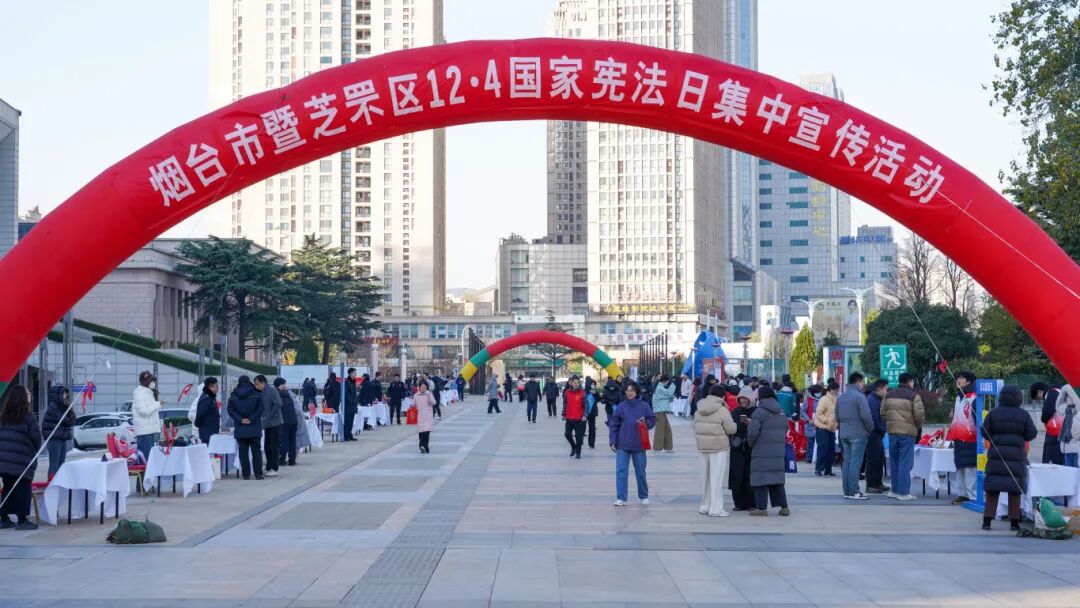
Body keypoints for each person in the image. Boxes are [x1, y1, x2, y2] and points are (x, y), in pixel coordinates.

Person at [981, 385, 1037, 530]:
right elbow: (1031, 434)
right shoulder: (1023, 414)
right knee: (1015, 490)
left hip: (996, 456)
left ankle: (987, 521)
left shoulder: (993, 413)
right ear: (1019, 398)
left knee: (992, 490)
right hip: (1016, 457)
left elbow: (984, 432)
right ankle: (1014, 523)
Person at [0, 386, 42, 530]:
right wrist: (34, 451)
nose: (30, 395)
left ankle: (4, 518)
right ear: (23, 397)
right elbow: (36, 437)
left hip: (5, 460)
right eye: (28, 393)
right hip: (21, 460)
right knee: (23, 488)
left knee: (8, 487)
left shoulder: (4, 416)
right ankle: (22, 520)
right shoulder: (28, 416)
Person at [609, 381, 655, 506]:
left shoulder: (644, 406)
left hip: (639, 444)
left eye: (632, 390)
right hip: (623, 444)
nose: (629, 393)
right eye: (627, 390)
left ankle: (643, 495)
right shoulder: (621, 407)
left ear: (637, 392)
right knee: (621, 471)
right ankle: (621, 498)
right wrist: (612, 441)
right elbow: (614, 424)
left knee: (640, 471)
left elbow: (652, 420)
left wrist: (646, 424)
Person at [695, 384, 738, 516]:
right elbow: (731, 429)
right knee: (717, 478)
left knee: (705, 479)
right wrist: (736, 425)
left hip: (703, 447)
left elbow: (695, 426)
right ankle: (716, 508)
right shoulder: (722, 409)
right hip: (718, 447)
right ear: (723, 396)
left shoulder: (700, 407)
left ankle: (704, 506)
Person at [747, 386, 790, 516]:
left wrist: (751, 444)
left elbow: (753, 433)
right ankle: (784, 507)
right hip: (778, 451)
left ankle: (761, 508)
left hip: (761, 450)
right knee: (777, 478)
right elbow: (786, 428)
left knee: (761, 478)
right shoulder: (781, 411)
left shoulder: (759, 412)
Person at [882, 373, 924, 500]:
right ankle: (903, 492)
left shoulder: (888, 395)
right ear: (910, 382)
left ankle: (894, 490)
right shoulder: (914, 396)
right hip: (907, 433)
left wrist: (890, 424)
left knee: (894, 461)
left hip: (892, 432)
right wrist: (917, 427)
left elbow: (882, 413)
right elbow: (919, 416)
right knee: (905, 462)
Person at [836, 372, 873, 500]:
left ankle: (847, 491)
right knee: (855, 463)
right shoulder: (860, 397)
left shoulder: (840, 397)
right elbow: (866, 416)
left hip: (844, 433)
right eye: (862, 382)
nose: (863, 385)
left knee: (847, 462)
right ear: (858, 382)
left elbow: (837, 416)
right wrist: (870, 428)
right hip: (858, 433)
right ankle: (854, 491)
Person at [948, 371, 980, 503]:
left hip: (970, 437)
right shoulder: (958, 397)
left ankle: (973, 496)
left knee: (970, 468)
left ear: (968, 381)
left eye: (961, 378)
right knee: (960, 467)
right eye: (958, 378)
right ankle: (962, 494)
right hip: (958, 437)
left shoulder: (974, 398)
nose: (958, 381)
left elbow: (978, 419)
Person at [227, 375, 264, 480]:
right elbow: (261, 409)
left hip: (240, 428)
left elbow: (230, 410)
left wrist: (240, 419)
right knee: (256, 451)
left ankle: (246, 475)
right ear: (249, 382)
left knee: (243, 452)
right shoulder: (257, 393)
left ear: (239, 382)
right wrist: (251, 419)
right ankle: (258, 474)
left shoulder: (233, 395)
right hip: (254, 427)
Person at [729, 386, 757, 512]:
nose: (743, 401)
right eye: (741, 398)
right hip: (737, 447)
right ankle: (739, 503)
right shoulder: (735, 411)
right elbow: (730, 428)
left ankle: (752, 503)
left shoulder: (756, 411)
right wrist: (738, 425)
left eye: (746, 398)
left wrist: (751, 423)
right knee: (737, 474)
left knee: (750, 474)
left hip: (752, 448)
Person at [864, 379, 890, 494]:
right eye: (885, 389)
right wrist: (882, 429)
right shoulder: (872, 400)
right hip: (873, 434)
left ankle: (878, 483)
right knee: (873, 459)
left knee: (880, 459)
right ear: (879, 388)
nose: (886, 392)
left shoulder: (877, 399)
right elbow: (874, 419)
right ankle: (871, 484)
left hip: (878, 434)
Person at [132, 370, 164, 463]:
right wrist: (158, 404)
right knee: (146, 458)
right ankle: (145, 472)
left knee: (149, 458)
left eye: (154, 381)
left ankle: (147, 472)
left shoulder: (148, 392)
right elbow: (143, 411)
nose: (153, 383)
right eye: (151, 381)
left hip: (148, 429)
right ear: (146, 382)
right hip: (144, 430)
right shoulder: (140, 393)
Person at [41, 385, 73, 478]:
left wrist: (70, 414)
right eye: (64, 394)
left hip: (62, 438)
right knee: (54, 465)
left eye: (66, 394)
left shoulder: (63, 407)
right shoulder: (53, 407)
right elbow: (63, 420)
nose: (66, 396)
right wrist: (69, 416)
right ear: (58, 395)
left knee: (61, 465)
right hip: (55, 439)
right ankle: (51, 482)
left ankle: (59, 482)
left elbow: (71, 421)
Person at [254, 375, 283, 477]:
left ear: (263, 383)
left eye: (257, 384)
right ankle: (269, 466)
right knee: (267, 446)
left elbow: (279, 403)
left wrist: (270, 415)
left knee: (273, 446)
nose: (256, 386)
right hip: (267, 423)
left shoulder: (272, 390)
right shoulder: (261, 392)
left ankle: (274, 468)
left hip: (275, 423)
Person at [812, 381, 839, 476]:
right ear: (831, 390)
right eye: (836, 390)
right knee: (823, 449)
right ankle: (818, 469)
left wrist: (835, 423)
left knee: (831, 449)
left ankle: (828, 469)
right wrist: (828, 421)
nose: (837, 391)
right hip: (822, 427)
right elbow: (819, 413)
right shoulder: (824, 399)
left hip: (831, 428)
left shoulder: (836, 399)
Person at [1034, 382, 1063, 465]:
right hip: (1064, 431)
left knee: (1051, 462)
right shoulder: (1061, 390)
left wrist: (1043, 419)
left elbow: (1048, 411)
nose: (1040, 400)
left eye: (1037, 397)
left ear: (1039, 391)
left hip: (1055, 432)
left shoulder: (1052, 392)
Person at [275, 378, 298, 467]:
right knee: (292, 441)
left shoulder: (277, 396)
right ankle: (292, 460)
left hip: (284, 422)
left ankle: (282, 459)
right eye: (284, 384)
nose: (285, 386)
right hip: (293, 421)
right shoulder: (288, 395)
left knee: (284, 441)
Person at [562, 376, 587, 458]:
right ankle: (574, 447)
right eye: (574, 383)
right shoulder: (567, 392)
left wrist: (585, 415)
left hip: (579, 419)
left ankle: (578, 453)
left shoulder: (582, 393)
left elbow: (586, 406)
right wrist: (563, 414)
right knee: (567, 434)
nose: (576, 384)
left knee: (578, 437)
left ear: (579, 384)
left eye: (577, 383)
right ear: (571, 383)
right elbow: (565, 404)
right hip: (569, 418)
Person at [651, 374, 676, 453]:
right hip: (659, 412)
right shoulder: (659, 388)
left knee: (667, 430)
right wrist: (673, 385)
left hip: (661, 411)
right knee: (660, 430)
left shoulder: (659, 387)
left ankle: (668, 447)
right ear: (665, 381)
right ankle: (657, 447)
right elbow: (669, 393)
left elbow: (668, 396)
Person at [1057, 385, 1080, 467]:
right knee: (1068, 471)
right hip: (1066, 446)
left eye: (1070, 395)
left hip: (1077, 448)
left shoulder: (1077, 413)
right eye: (1066, 396)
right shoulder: (1065, 412)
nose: (1068, 398)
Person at [194, 377, 220, 445]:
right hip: (207, 433)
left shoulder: (211, 397)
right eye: (212, 387)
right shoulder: (207, 399)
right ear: (207, 387)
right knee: (208, 450)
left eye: (216, 386)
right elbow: (200, 414)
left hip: (211, 432)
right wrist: (199, 425)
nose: (215, 389)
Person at [412, 380, 436, 453]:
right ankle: (425, 447)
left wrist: (428, 395)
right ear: (419, 387)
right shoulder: (416, 395)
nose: (423, 388)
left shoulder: (429, 394)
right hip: (419, 416)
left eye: (424, 387)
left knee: (426, 432)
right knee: (421, 433)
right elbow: (413, 405)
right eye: (422, 387)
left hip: (428, 416)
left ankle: (422, 445)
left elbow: (434, 403)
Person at [802, 385, 822, 463]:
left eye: (819, 392)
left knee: (820, 442)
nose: (819, 393)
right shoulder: (808, 400)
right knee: (810, 442)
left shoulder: (822, 399)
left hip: (820, 423)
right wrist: (808, 419)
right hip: (810, 424)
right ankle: (809, 458)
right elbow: (803, 411)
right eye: (817, 392)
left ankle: (818, 457)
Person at [584, 376, 599, 449]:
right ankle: (580, 442)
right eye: (592, 384)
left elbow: (599, 399)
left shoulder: (594, 392)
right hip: (584, 413)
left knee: (592, 428)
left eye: (594, 384)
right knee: (581, 428)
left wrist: (595, 393)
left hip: (592, 413)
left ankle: (591, 443)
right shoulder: (583, 392)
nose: (593, 386)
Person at [343, 368, 358, 441]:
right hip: (348, 405)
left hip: (353, 405)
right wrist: (351, 400)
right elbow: (346, 394)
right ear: (350, 373)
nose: (355, 374)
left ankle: (350, 434)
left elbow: (354, 394)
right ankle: (346, 435)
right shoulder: (347, 382)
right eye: (354, 373)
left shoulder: (353, 382)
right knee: (347, 421)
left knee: (351, 421)